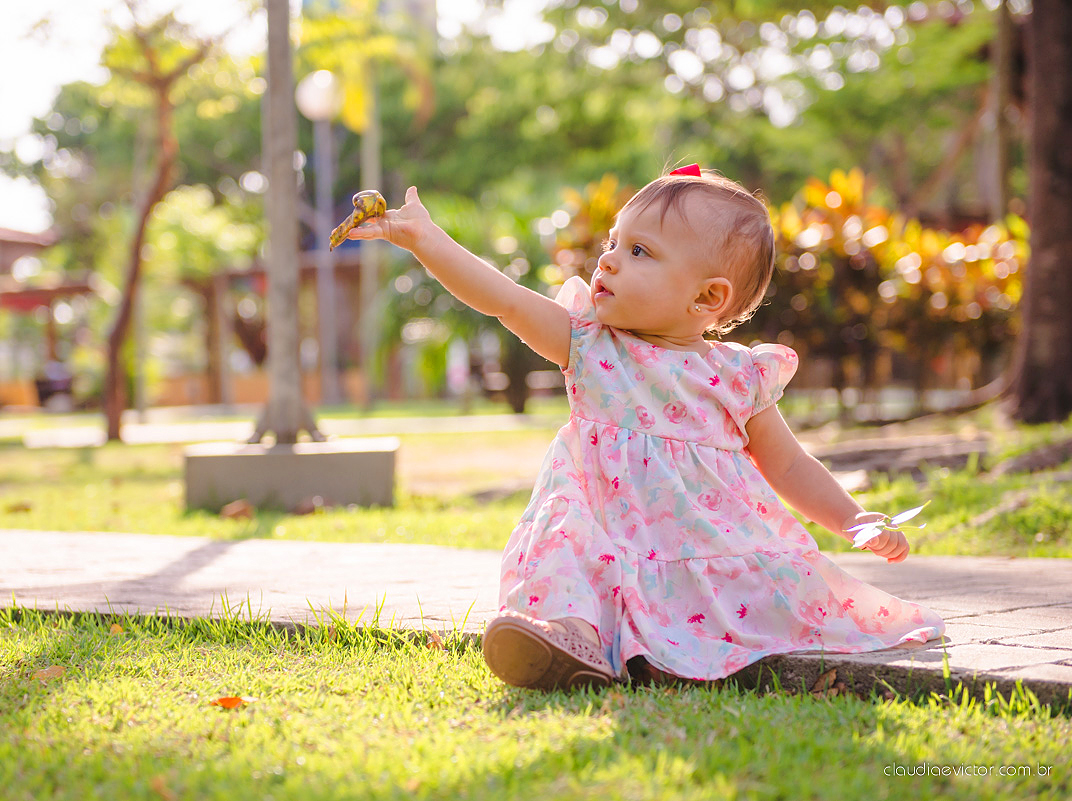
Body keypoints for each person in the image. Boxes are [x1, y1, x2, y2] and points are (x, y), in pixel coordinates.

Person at [348, 165, 946, 691]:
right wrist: (423, 239)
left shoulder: (738, 377)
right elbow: (501, 298)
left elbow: (787, 464)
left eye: (640, 252)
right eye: (614, 242)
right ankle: (567, 640)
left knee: (739, 586)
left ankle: (667, 651)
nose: (607, 258)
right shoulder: (586, 343)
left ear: (708, 297)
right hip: (603, 518)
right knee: (569, 540)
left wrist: (852, 518)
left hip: (696, 537)